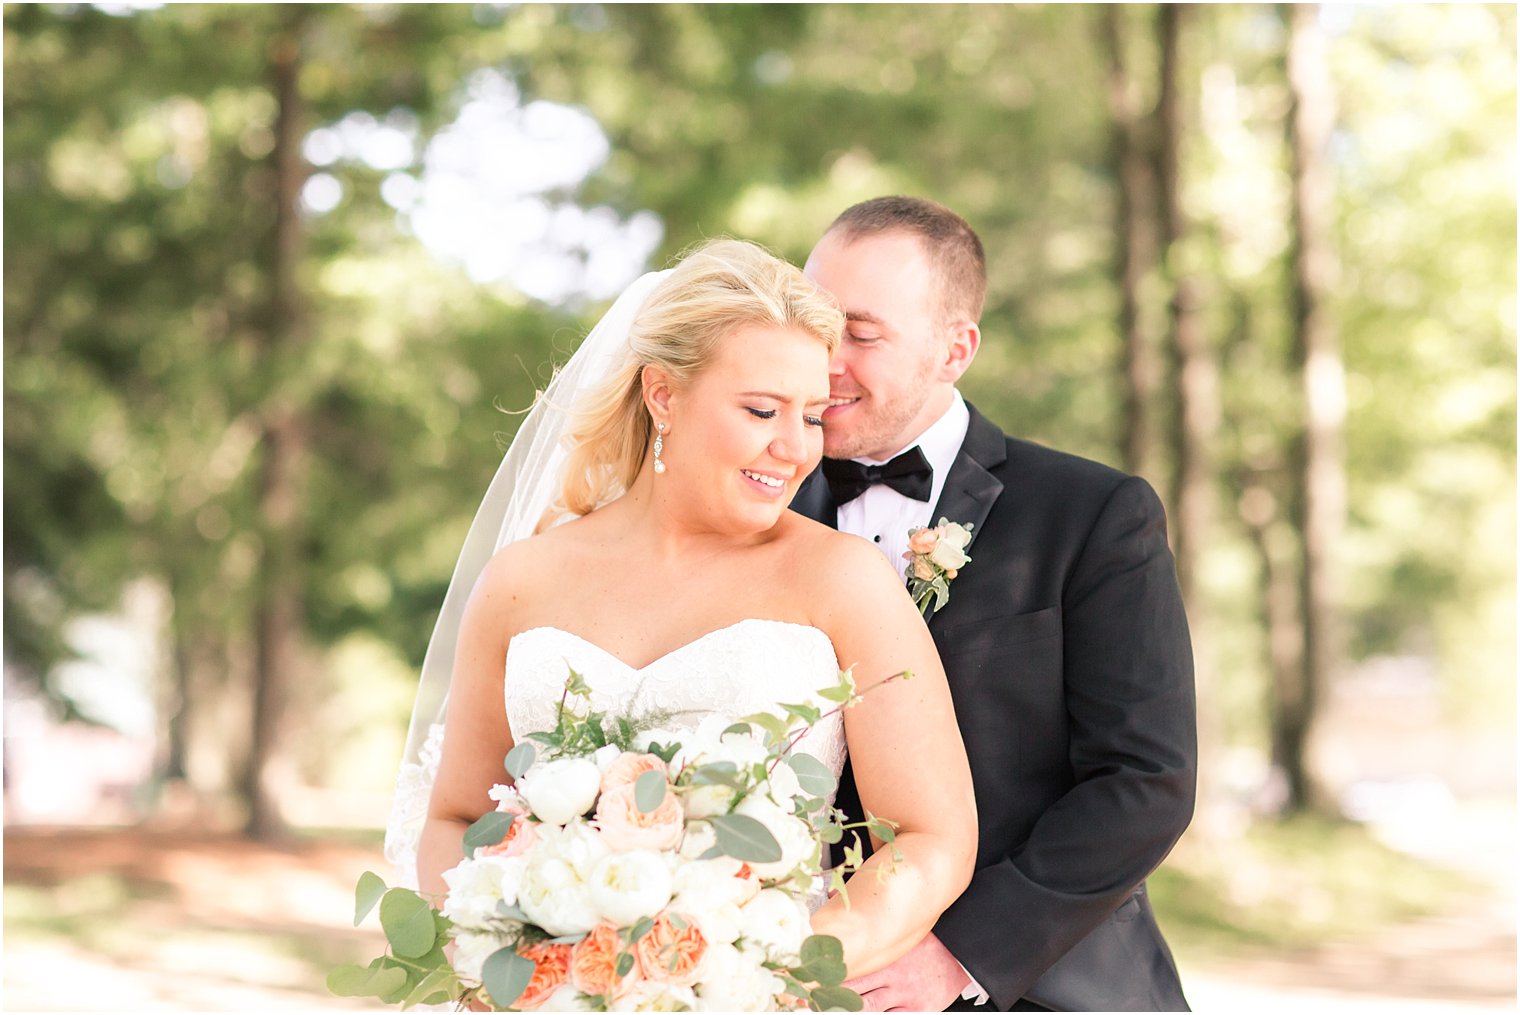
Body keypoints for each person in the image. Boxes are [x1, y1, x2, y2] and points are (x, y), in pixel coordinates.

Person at [385, 238, 978, 986]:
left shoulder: (843, 580)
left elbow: (932, 838)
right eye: (762, 408)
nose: (794, 447)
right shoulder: (521, 582)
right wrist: (505, 958)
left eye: (813, 414)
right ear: (663, 394)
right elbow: (454, 819)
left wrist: (763, 971)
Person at [793, 197, 1196, 1012]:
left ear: (955, 350)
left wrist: (961, 956)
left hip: (1045, 983)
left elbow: (1145, 779)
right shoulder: (758, 517)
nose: (826, 360)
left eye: (863, 334)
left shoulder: (1093, 514)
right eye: (812, 326)